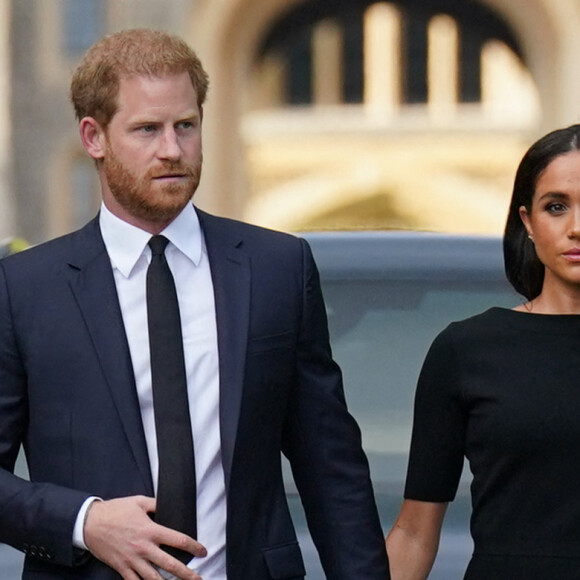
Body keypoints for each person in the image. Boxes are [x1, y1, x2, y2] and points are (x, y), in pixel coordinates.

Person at [0, 29, 390, 580]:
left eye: (186, 125)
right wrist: (84, 521)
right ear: (94, 137)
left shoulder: (276, 267)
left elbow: (331, 466)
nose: (172, 150)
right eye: (147, 130)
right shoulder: (23, 288)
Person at [386, 122, 580, 579]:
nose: (577, 228)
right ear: (527, 221)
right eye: (556, 207)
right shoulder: (467, 350)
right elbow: (415, 531)